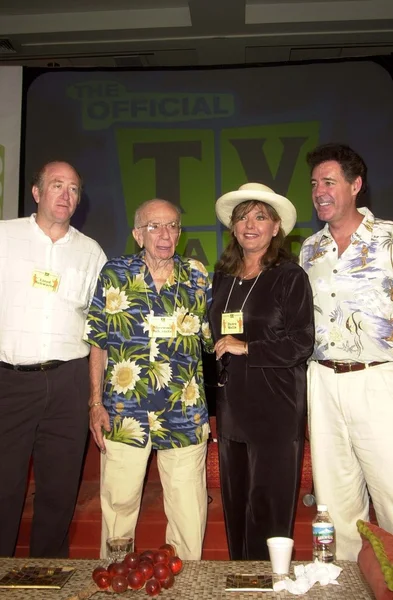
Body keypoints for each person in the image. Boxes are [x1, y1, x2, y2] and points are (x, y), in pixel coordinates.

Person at [86, 198, 214, 560]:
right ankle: (113, 579)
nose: (165, 234)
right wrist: (95, 403)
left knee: (189, 511)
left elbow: (212, 337)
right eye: (154, 226)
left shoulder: (197, 275)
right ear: (137, 234)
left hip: (184, 411)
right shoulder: (115, 273)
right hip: (126, 412)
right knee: (118, 506)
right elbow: (98, 341)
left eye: (172, 225)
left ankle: (190, 585)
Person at [0, 161, 107, 558]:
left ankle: (47, 578)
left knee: (59, 489)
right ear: (36, 192)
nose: (66, 195)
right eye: (57, 185)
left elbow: (99, 327)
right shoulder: (4, 237)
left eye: (74, 189)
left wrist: (95, 396)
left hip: (69, 382)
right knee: (4, 487)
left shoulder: (90, 251)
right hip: (9, 382)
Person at [209, 182, 314, 560]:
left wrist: (247, 346)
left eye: (260, 216)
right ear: (233, 228)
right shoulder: (222, 279)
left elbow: (302, 343)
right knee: (236, 502)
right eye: (242, 218)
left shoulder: (290, 276)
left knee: (268, 502)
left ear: (275, 228)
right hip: (232, 407)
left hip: (276, 407)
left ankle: (273, 580)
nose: (250, 224)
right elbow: (213, 342)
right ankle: (241, 579)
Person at [299, 143, 393, 561]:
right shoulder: (308, 250)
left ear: (356, 185)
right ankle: (349, 582)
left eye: (330, 181)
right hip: (321, 379)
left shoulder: (389, 240)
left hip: (378, 379)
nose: (319, 190)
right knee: (334, 502)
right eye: (315, 183)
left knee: (391, 491)